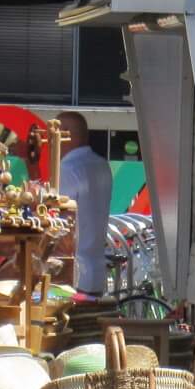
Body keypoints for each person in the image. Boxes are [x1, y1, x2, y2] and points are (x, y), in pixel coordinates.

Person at [57, 110, 114, 297]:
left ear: (64, 135)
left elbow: (54, 219)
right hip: (96, 270)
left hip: (74, 273)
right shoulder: (102, 165)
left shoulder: (67, 169)